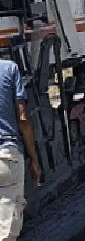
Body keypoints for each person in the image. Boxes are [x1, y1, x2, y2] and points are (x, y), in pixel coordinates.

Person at [0, 59, 41, 240]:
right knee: (7, 229)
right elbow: (23, 118)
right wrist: (34, 158)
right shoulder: (9, 69)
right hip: (6, 155)